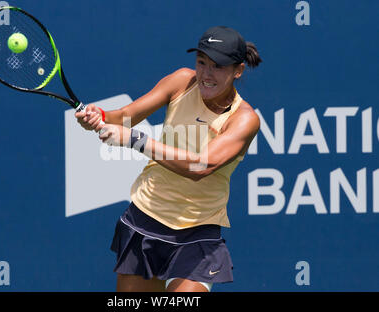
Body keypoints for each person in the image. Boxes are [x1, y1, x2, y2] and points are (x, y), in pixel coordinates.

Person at [76, 26, 262, 292]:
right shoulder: (182, 82)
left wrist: (133, 140)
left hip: (197, 234)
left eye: (218, 67)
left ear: (238, 70)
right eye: (202, 63)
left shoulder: (244, 119)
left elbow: (201, 165)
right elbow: (126, 115)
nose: (206, 75)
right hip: (145, 218)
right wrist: (99, 117)